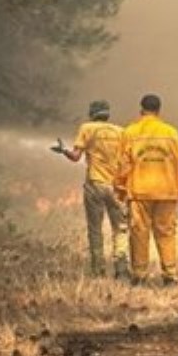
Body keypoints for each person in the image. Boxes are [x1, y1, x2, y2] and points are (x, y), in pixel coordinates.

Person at [114, 94, 178, 287]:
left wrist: (120, 187)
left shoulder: (130, 132)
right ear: (159, 110)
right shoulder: (171, 132)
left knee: (139, 232)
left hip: (139, 190)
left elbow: (123, 163)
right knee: (166, 232)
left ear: (141, 109)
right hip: (167, 190)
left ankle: (140, 275)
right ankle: (170, 275)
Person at [62, 100, 129, 279]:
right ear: (107, 114)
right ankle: (121, 268)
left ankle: (98, 269)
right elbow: (126, 160)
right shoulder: (121, 131)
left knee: (95, 228)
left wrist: (63, 151)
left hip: (95, 184)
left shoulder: (87, 128)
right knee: (120, 228)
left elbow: (76, 157)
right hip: (116, 187)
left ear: (92, 114)